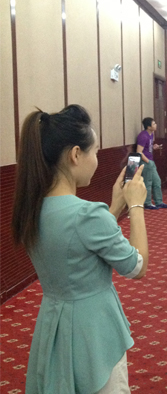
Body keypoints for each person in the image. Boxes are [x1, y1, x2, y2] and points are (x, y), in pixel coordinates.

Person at [11, 105, 149, 393]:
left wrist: (114, 207)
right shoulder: (87, 214)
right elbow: (136, 266)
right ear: (75, 154)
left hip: (54, 323)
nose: (96, 159)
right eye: (95, 151)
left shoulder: (32, 210)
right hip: (94, 329)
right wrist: (136, 204)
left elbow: (77, 245)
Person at [137, 117, 167, 210]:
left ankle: (159, 202)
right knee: (148, 183)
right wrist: (147, 161)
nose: (156, 125)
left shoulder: (151, 134)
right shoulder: (143, 136)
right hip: (146, 162)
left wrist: (154, 147)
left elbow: (148, 147)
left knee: (157, 181)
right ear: (149, 127)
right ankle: (147, 203)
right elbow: (139, 152)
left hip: (151, 161)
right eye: (154, 124)